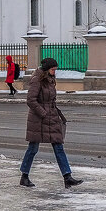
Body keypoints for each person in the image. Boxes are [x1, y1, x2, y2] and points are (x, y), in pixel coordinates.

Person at [20, 57, 82, 189]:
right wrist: (43, 113)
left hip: (51, 118)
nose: (55, 71)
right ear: (47, 69)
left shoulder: (50, 79)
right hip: (39, 119)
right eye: (53, 69)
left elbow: (51, 100)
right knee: (33, 148)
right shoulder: (37, 80)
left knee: (59, 147)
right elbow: (31, 100)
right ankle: (24, 177)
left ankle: (67, 177)